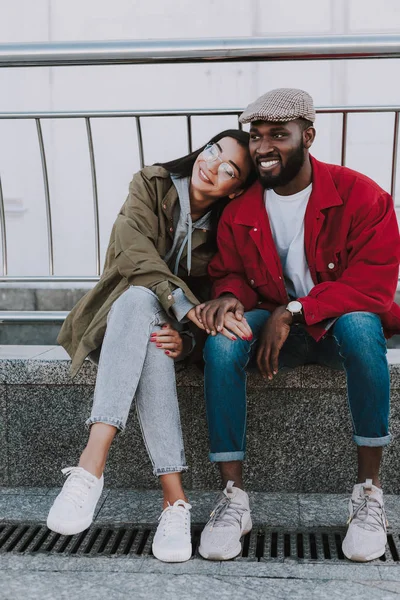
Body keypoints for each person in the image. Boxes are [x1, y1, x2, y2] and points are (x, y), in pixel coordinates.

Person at [195, 88, 400, 563]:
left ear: (307, 136)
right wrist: (228, 298)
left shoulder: (362, 195)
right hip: (272, 330)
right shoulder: (241, 207)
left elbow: (373, 287)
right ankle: (232, 500)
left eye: (278, 136)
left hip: (333, 329)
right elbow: (228, 271)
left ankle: (369, 492)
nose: (264, 147)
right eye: (256, 136)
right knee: (224, 346)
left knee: (362, 326)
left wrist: (294, 310)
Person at [46, 129, 255, 563]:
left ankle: (97, 474)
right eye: (212, 150)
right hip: (113, 324)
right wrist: (182, 304)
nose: (211, 164)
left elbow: (216, 297)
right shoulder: (151, 183)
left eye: (228, 169)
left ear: (235, 191)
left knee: (157, 341)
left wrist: (190, 338)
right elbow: (133, 253)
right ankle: (165, 497)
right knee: (139, 299)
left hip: (162, 336)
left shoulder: (224, 229)